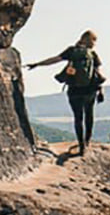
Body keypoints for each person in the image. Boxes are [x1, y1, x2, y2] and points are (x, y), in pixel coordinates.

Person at [27, 30, 104, 158]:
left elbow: (55, 59)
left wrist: (37, 64)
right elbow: (98, 74)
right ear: (89, 40)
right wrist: (101, 91)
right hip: (90, 90)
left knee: (78, 118)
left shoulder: (72, 51)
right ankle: (87, 141)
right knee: (89, 115)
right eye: (94, 40)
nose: (95, 44)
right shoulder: (92, 54)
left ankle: (81, 145)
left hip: (74, 90)